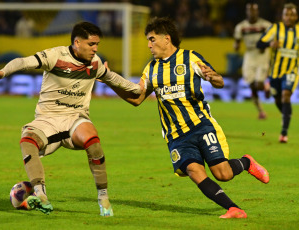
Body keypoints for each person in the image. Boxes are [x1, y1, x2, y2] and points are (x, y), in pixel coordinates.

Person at [108, 17, 270, 219]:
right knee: (195, 172)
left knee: (223, 174)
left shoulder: (190, 58)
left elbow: (218, 81)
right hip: (176, 136)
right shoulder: (150, 69)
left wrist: (213, 77)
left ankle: (246, 162)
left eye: (152, 39)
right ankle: (234, 208)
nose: (149, 45)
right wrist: (110, 81)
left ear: (166, 39)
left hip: (201, 125)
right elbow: (137, 99)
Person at [0, 21, 141, 216]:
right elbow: (23, 62)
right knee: (27, 142)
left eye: (97, 45)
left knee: (92, 140)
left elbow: (112, 78)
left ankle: (104, 199)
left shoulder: (95, 63)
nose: (95, 49)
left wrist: (138, 89)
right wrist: (3, 71)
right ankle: (40, 194)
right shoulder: (55, 56)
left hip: (75, 118)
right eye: (91, 44)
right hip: (47, 119)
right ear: (77, 43)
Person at [257, 3, 299, 143]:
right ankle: (286, 115)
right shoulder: (276, 28)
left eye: (292, 14)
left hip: (292, 71)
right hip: (275, 73)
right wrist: (270, 44)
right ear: (282, 16)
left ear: (296, 16)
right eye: (286, 14)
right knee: (278, 100)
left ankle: (283, 133)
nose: (289, 17)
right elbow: (259, 43)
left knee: (286, 96)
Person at [234, 3, 271, 120]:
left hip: (262, 54)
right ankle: (261, 111)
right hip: (249, 55)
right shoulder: (241, 27)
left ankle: (265, 86)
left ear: (257, 12)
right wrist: (236, 45)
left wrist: (267, 44)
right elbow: (237, 41)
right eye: (250, 11)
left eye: (254, 10)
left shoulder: (266, 25)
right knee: (251, 85)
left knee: (258, 84)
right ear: (247, 12)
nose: (252, 13)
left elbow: (273, 38)